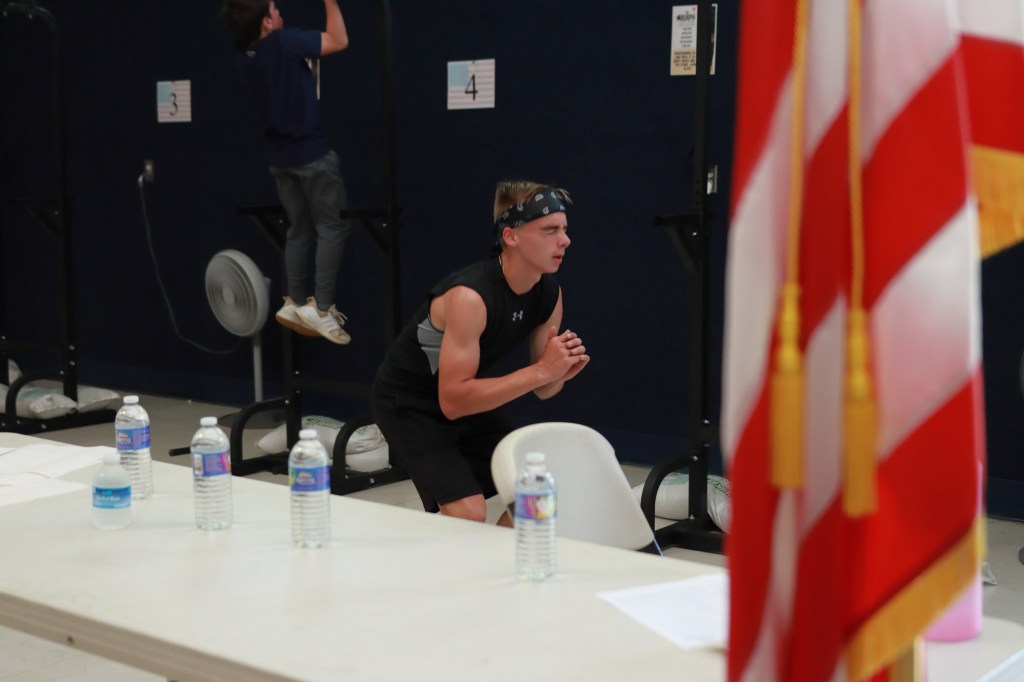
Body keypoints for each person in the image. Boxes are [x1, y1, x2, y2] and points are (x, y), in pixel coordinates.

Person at [371, 180, 590, 524]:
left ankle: (499, 557)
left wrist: (558, 373)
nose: (565, 240)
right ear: (511, 237)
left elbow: (543, 389)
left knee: (538, 491)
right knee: (469, 513)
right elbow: (453, 402)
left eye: (564, 229)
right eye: (550, 230)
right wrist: (541, 372)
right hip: (410, 403)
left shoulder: (549, 293)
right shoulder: (470, 297)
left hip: (465, 396)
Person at [220, 0, 353, 344]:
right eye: (275, 10)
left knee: (299, 228)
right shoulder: (283, 42)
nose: (281, 14)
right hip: (311, 153)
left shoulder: (243, 56)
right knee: (332, 227)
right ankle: (322, 310)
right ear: (266, 22)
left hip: (280, 159)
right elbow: (339, 40)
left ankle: (294, 302)